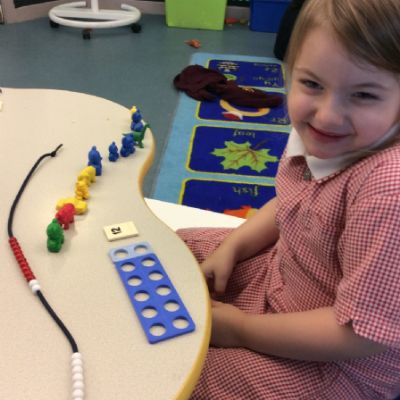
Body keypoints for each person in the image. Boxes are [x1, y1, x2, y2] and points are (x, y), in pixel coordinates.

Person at [178, 0, 400, 398]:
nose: (327, 115)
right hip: (283, 276)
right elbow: (291, 204)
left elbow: (358, 334)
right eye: (312, 84)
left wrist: (241, 330)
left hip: (334, 363)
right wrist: (233, 246)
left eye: (364, 95)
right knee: (172, 250)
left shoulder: (388, 191)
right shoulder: (325, 134)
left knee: (183, 375)